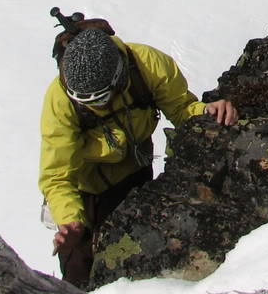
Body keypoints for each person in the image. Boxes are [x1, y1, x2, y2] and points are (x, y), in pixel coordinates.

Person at [40, 26, 238, 286]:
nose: (94, 107)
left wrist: (207, 112)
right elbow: (57, 176)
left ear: (119, 78)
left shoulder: (149, 65)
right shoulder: (60, 101)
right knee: (80, 274)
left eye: (100, 98)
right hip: (87, 193)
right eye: (84, 102)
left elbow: (180, 109)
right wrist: (71, 221)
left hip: (137, 177)